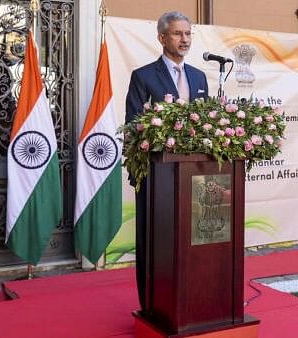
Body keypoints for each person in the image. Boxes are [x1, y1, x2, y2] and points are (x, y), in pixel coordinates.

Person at [125, 11, 209, 311]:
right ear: (162, 38)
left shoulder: (199, 77)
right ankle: (152, 304)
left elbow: (206, 127)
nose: (184, 39)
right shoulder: (144, 76)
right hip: (156, 179)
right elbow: (133, 127)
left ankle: (190, 298)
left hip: (193, 180)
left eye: (188, 34)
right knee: (156, 245)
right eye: (177, 34)